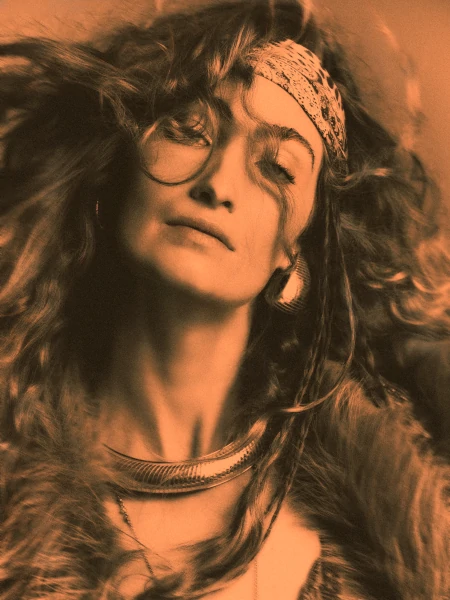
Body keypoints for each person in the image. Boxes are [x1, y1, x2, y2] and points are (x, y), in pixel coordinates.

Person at [0, 1, 448, 598]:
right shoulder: (11, 488)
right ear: (117, 169)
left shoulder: (389, 529)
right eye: (190, 129)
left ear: (296, 250)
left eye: (277, 167)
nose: (218, 184)